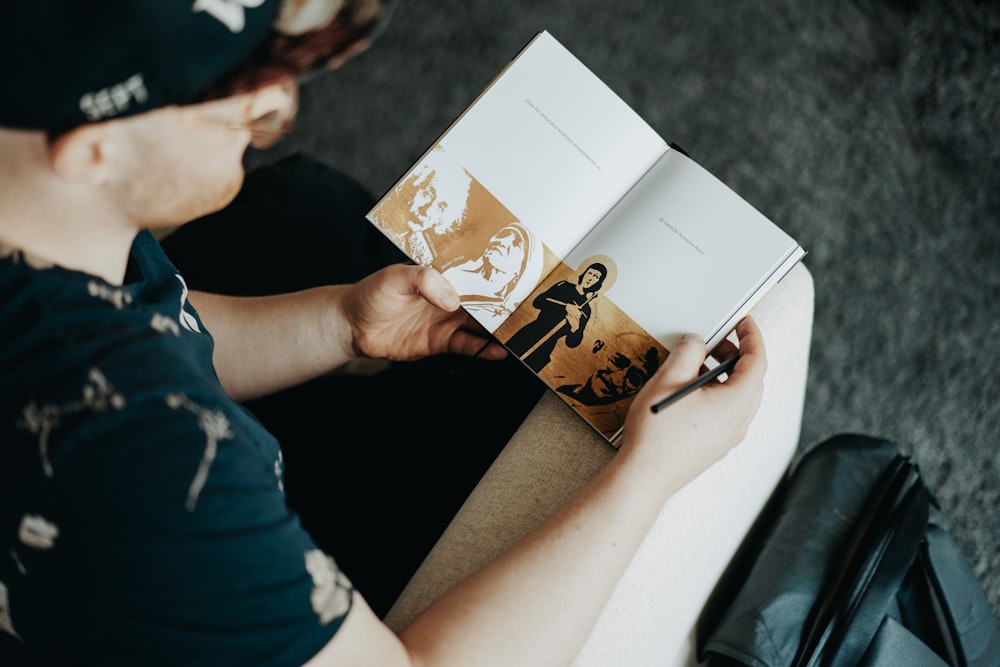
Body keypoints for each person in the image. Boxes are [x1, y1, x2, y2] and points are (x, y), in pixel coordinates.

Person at [0, 2, 767, 665]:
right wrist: (649, 473)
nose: (276, 109)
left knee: (313, 207)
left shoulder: (42, 223)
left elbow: (148, 319)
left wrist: (340, 324)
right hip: (165, 556)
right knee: (541, 418)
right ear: (91, 147)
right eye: (233, 89)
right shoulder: (144, 462)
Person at [505, 262, 607, 372]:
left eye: (595, 277)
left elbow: (572, 343)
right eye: (589, 273)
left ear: (598, 282)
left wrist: (575, 328)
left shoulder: (586, 310)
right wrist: (565, 306)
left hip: (545, 349)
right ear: (584, 273)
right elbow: (538, 302)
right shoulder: (563, 286)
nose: (590, 278)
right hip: (530, 333)